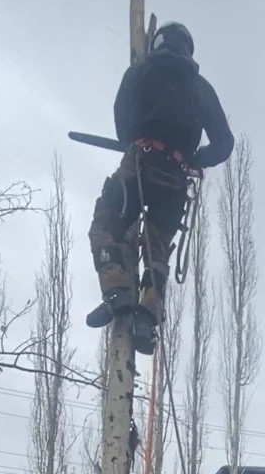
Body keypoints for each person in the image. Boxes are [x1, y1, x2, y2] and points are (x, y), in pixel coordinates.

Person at [87, 22, 234, 352]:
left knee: (105, 226)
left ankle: (117, 292)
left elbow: (121, 114)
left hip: (140, 161)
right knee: (157, 249)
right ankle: (147, 317)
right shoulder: (200, 86)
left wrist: (132, 142)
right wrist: (196, 159)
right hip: (176, 175)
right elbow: (224, 144)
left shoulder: (140, 71)